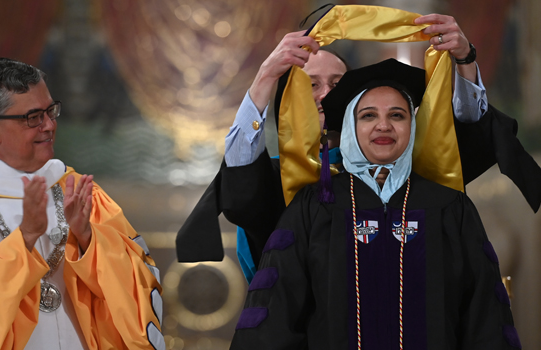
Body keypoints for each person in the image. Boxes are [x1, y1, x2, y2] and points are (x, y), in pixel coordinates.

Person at [177, 12, 541, 281]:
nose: (325, 96)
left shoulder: (405, 167)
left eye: (337, 83)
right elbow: (240, 172)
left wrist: (463, 59)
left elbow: (471, 136)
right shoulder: (278, 179)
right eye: (311, 85)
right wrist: (265, 76)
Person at [229, 58, 521, 349]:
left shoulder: (448, 207)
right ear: (349, 126)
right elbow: (276, 315)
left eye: (397, 115)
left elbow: (485, 317)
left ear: (413, 125)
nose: (383, 125)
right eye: (368, 116)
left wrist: (464, 60)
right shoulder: (314, 206)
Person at [0, 58, 164, 350]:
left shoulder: (79, 190)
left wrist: (88, 239)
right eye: (33, 117)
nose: (48, 125)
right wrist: (26, 239)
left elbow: (141, 284)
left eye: (50, 111)